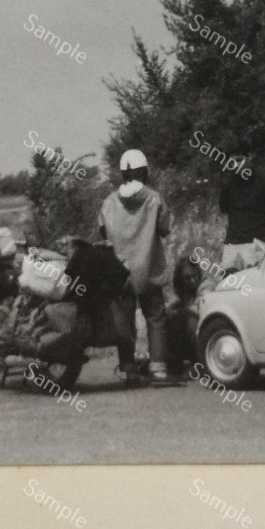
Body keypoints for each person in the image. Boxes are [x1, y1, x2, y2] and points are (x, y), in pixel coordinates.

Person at [98, 148, 173, 383]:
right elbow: (165, 228)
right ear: (144, 172)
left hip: (121, 272)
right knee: (155, 317)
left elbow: (102, 232)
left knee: (125, 322)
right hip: (149, 268)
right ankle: (158, 368)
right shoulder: (154, 198)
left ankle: (129, 369)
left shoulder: (109, 202)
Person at [218, 156, 265, 273]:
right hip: (242, 243)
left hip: (248, 244)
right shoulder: (228, 186)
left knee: (231, 284)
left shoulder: (264, 184)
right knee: (234, 284)